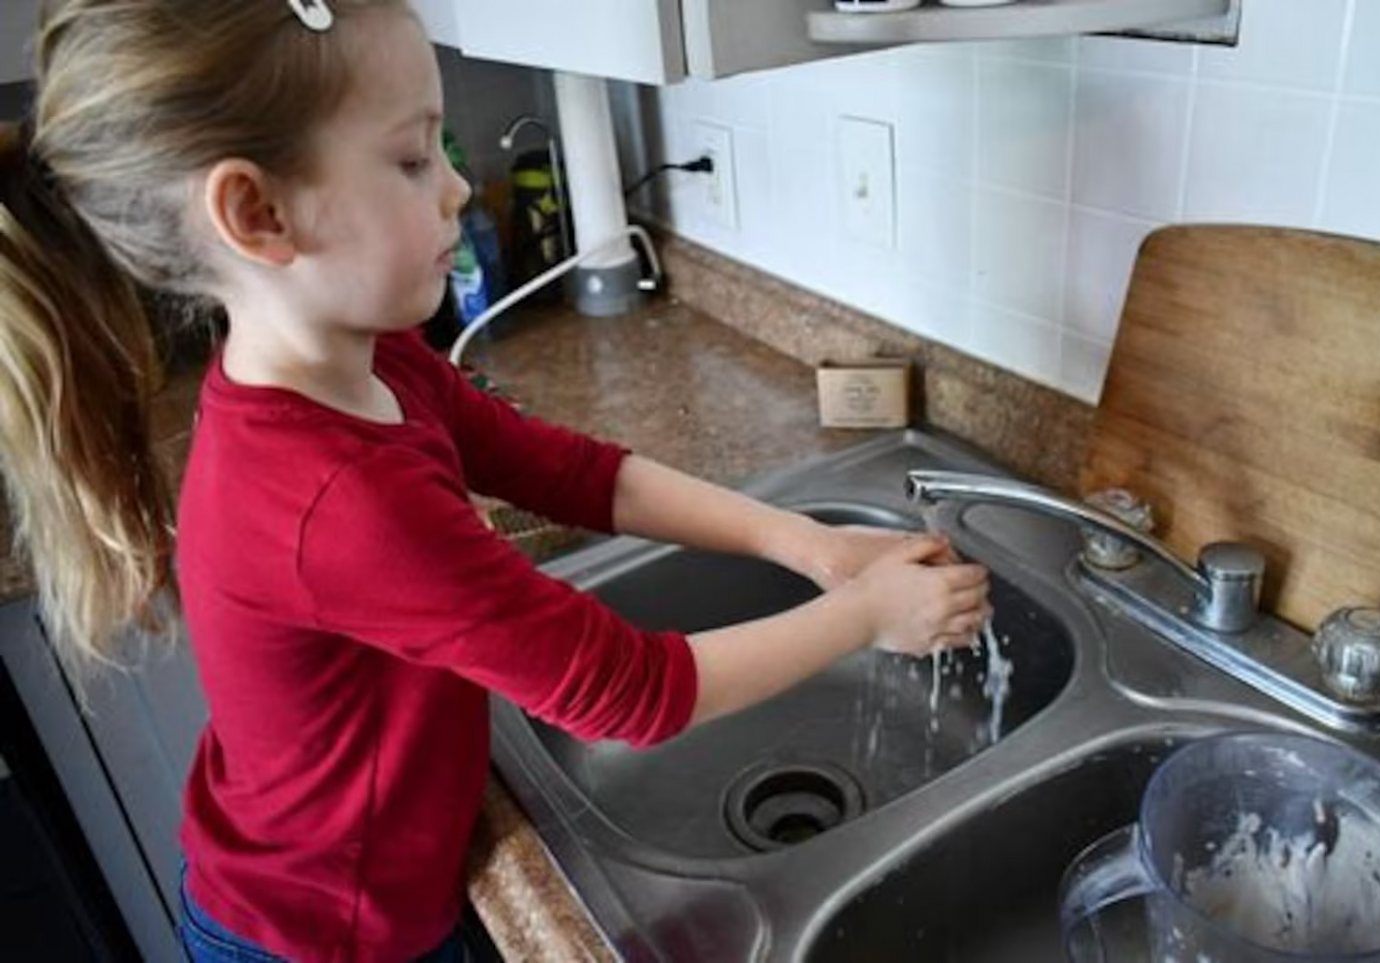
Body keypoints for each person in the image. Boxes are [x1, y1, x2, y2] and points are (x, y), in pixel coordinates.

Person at [0, 1, 992, 961]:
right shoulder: (336, 498)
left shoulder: (370, 360)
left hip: (345, 893)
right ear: (257, 213)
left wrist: (805, 544)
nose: (455, 190)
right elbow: (628, 696)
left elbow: (566, 471)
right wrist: (865, 618)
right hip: (327, 939)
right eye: (410, 157)